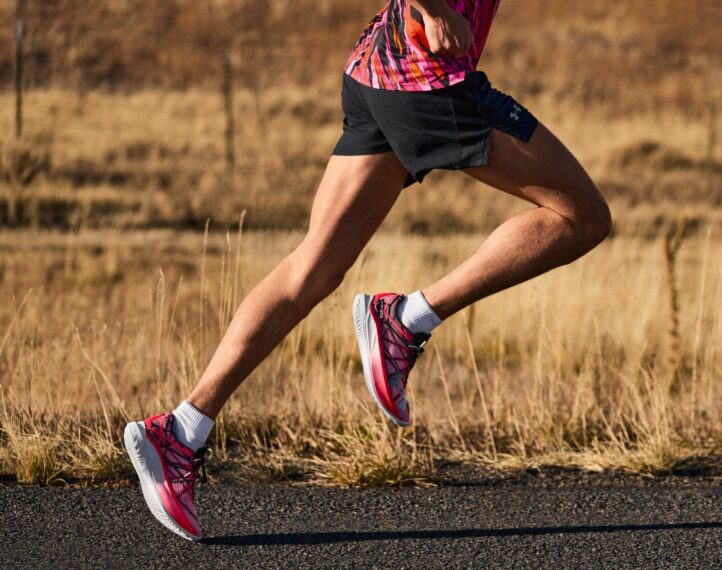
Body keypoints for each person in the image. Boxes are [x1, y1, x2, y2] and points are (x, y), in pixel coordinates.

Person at [124, 0, 611, 541]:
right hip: (426, 79)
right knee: (583, 216)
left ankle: (181, 430)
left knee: (312, 268)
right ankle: (406, 320)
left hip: (378, 71)